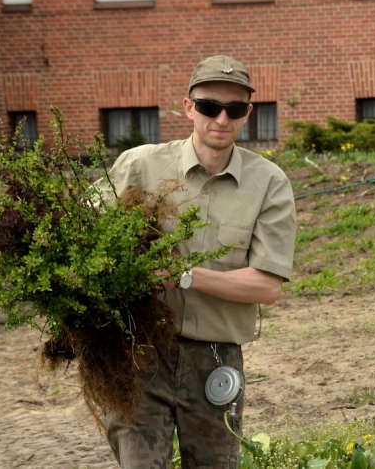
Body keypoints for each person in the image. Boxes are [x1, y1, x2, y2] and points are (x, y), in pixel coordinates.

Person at [101, 55, 297, 468]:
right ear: (189, 107)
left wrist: (185, 276)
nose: (221, 119)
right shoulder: (140, 166)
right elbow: (86, 242)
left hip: (215, 359)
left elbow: (267, 286)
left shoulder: (269, 183)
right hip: (139, 354)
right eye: (210, 106)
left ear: (248, 113)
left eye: (235, 109)